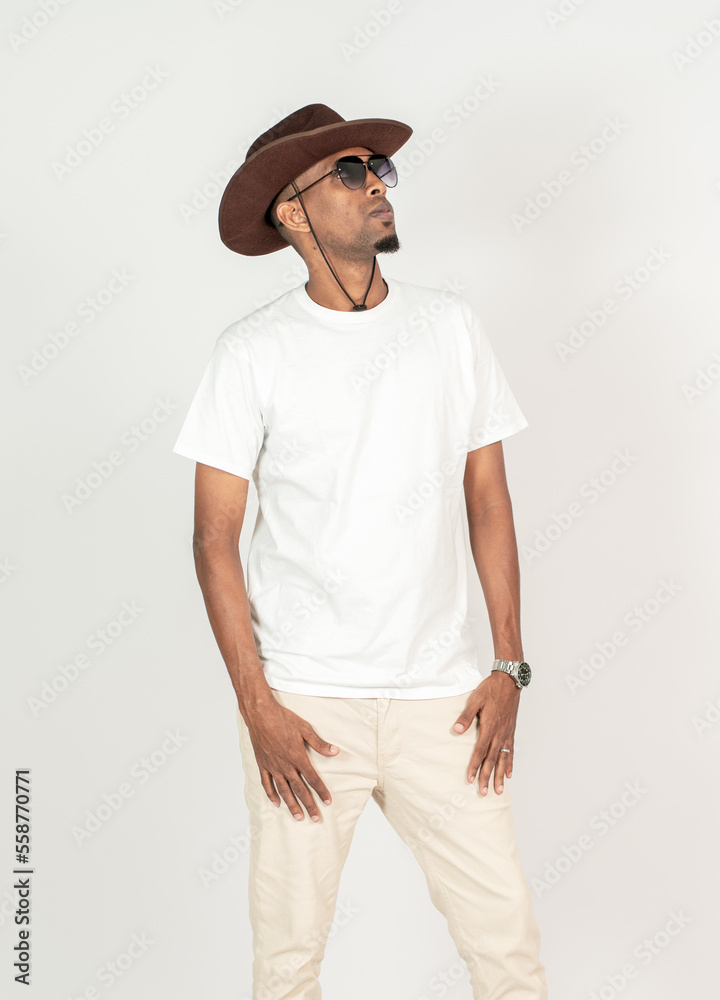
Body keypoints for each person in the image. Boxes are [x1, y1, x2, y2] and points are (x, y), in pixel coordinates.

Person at [172, 103, 549, 1000]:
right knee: (288, 964)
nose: (377, 183)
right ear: (292, 212)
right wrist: (258, 706)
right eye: (349, 172)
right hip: (306, 706)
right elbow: (214, 539)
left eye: (378, 167)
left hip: (443, 699)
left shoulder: (450, 327)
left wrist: (509, 666)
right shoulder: (252, 353)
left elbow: (488, 502)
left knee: (508, 956)